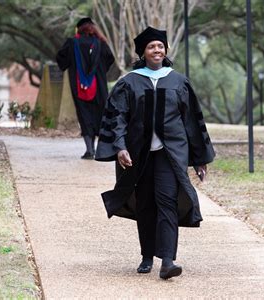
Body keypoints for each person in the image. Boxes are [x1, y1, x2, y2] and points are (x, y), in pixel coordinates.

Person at [95, 27, 215, 279]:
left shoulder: (178, 81)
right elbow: (117, 118)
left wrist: (199, 158)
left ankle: (168, 261)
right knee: (145, 205)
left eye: (160, 46)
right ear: (143, 52)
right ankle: (147, 255)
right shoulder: (129, 82)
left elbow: (192, 122)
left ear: (166, 50)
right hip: (138, 155)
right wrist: (120, 146)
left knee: (167, 202)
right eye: (152, 47)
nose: (157, 50)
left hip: (170, 155)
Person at [56, 17, 115, 159]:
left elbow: (61, 59)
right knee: (99, 115)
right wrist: (99, 70)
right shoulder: (100, 44)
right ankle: (101, 149)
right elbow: (110, 58)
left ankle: (90, 149)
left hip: (79, 87)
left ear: (79, 29)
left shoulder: (72, 43)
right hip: (99, 86)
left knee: (84, 115)